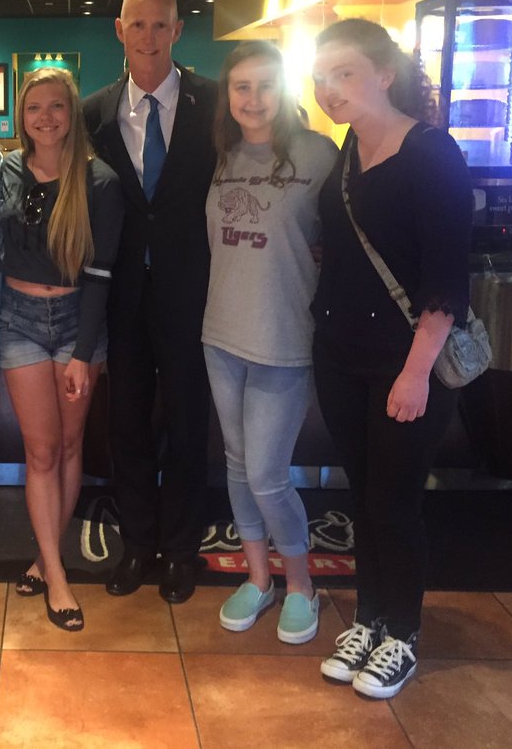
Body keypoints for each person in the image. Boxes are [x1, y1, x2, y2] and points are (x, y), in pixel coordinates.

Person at [310, 18, 471, 698]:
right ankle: (369, 618)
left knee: (395, 503)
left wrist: (415, 372)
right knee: (363, 496)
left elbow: (447, 278)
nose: (330, 88)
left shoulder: (431, 152)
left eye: (344, 73)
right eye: (322, 76)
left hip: (405, 364)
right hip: (340, 354)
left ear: (384, 73)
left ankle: (401, 632)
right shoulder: (348, 149)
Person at [82, 0, 218, 604]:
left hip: (194, 291)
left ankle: (182, 549)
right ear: (120, 30)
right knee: (127, 423)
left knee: (189, 422)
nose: (148, 36)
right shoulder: (94, 112)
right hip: (122, 295)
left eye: (160, 25)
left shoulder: (214, 104)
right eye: (137, 24)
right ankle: (138, 543)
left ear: (177, 30)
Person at [202, 42, 338, 643]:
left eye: (265, 85)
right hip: (221, 334)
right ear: (227, 96)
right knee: (237, 467)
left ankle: (303, 586)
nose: (253, 98)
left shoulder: (319, 154)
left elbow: (346, 238)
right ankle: (259, 579)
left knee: (267, 475)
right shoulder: (221, 155)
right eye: (241, 87)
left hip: (284, 337)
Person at [0, 68, 122, 631]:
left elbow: (101, 274)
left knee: (71, 446)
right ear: (21, 116)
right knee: (42, 451)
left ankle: (45, 560)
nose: (44, 118)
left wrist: (83, 353)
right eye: (33, 108)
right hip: (18, 320)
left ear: (72, 113)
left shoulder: (99, 181)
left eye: (56, 107)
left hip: (77, 324)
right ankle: (58, 575)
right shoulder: (6, 171)